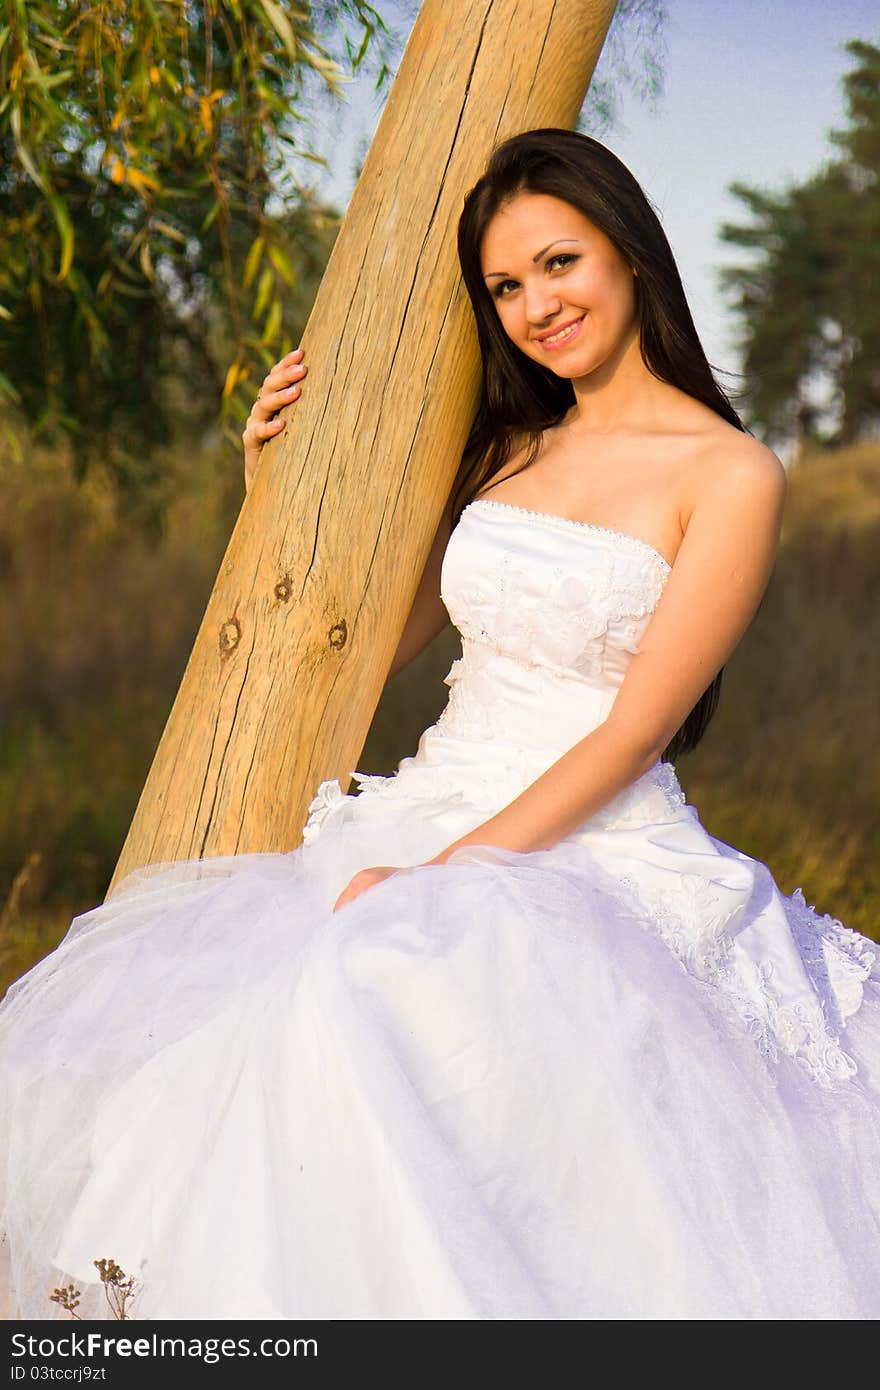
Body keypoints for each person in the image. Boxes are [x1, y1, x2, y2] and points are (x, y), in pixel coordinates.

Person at [1, 128, 879, 1322]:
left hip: (583, 840)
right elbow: (382, 636)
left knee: (387, 1004)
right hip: (420, 804)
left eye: (559, 264)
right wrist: (280, 491)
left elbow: (633, 731)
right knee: (228, 1047)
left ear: (629, 252)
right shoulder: (507, 446)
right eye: (505, 287)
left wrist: (451, 872)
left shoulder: (729, 473)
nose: (534, 307)